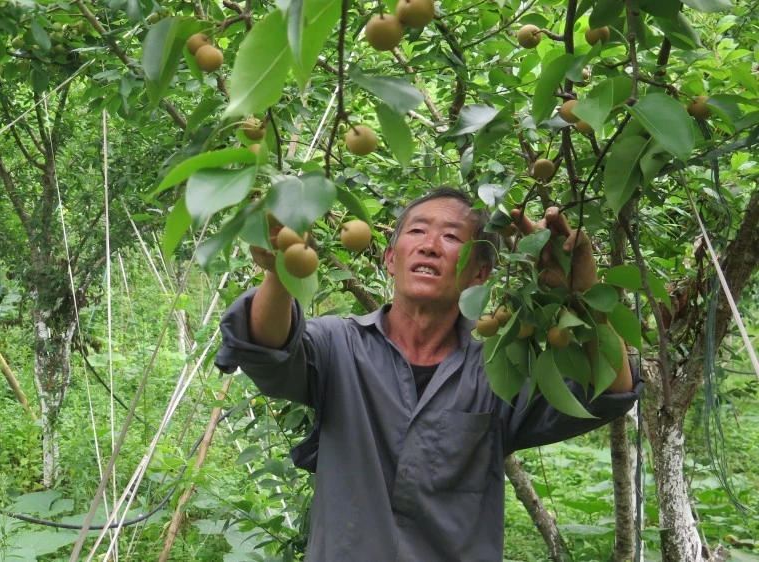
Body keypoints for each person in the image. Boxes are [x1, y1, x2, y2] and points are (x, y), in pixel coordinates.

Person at [215, 187, 643, 561]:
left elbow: (609, 391)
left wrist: (581, 297)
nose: (431, 245)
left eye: (452, 236)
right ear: (389, 258)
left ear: (480, 274)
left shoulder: (501, 364)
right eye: (417, 231)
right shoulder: (338, 346)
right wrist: (279, 269)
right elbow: (265, 349)